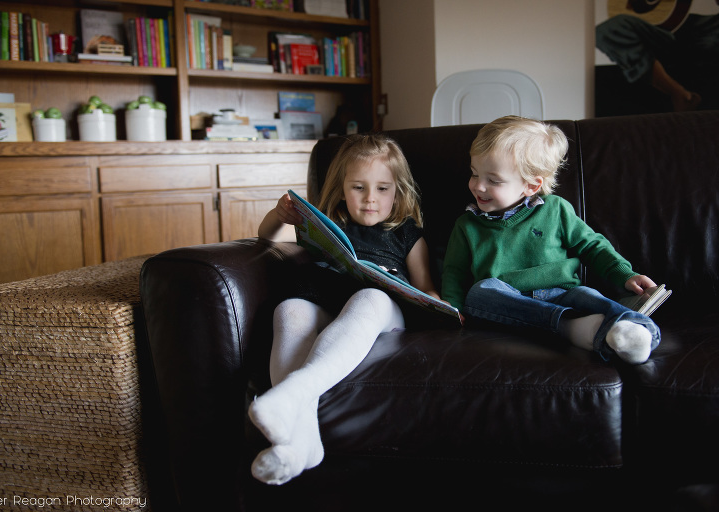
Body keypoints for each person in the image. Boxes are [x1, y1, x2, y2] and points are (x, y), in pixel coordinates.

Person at [250, 134, 438, 485]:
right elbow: (266, 239)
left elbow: (426, 284)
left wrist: (432, 301)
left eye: (383, 188)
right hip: (324, 298)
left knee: (369, 298)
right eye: (358, 187)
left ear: (397, 191)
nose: (370, 198)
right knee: (289, 309)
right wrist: (279, 216)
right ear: (341, 188)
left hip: (380, 308)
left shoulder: (407, 234)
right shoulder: (327, 226)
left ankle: (289, 395)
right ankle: (296, 446)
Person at [441, 116, 661, 365]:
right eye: (474, 174)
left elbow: (592, 245)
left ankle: (637, 333)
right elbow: (454, 272)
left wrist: (625, 274)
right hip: (506, 303)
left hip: (562, 293)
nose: (478, 186)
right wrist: (453, 310)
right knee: (480, 292)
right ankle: (573, 328)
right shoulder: (467, 225)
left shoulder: (556, 210)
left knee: (590, 296)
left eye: (493, 180)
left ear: (531, 186)